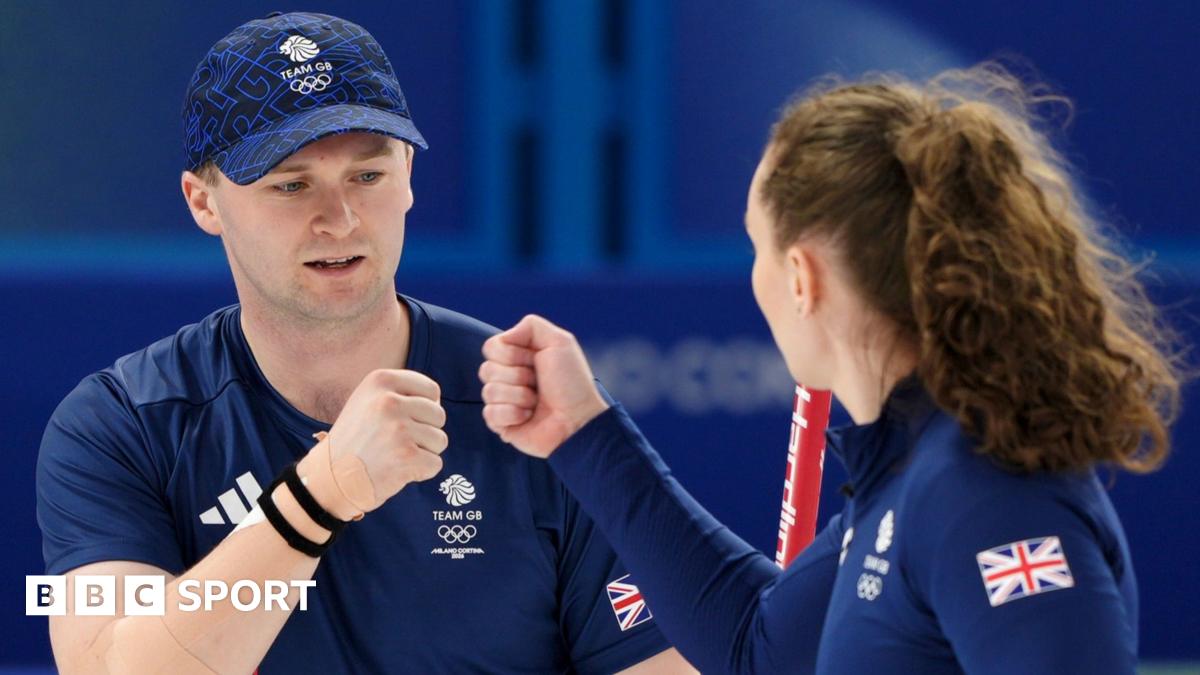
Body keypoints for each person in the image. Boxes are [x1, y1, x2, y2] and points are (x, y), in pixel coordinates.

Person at [36, 12, 692, 674]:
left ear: (408, 173)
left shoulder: (532, 410)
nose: (340, 219)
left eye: (368, 176)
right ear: (204, 202)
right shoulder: (122, 425)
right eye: (292, 184)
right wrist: (317, 496)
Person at [478, 63, 1183, 674]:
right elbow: (757, 646)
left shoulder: (984, 493)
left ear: (800, 276)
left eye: (755, 245)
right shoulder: (912, 479)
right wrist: (582, 431)